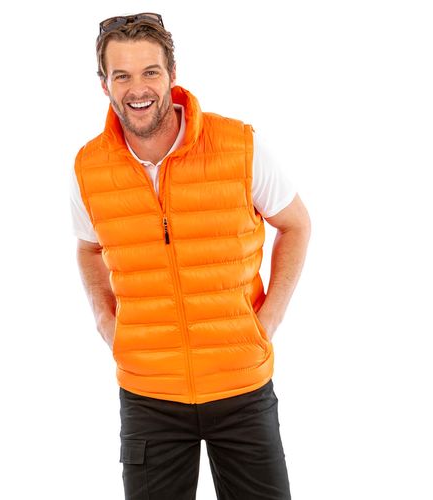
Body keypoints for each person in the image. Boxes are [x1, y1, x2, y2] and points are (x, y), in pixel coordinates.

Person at [70, 12, 311, 500]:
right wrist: (104, 319)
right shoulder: (89, 168)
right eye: (122, 76)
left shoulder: (238, 146)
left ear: (172, 74)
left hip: (241, 386)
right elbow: (88, 247)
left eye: (150, 72)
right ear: (104, 84)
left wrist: (266, 321)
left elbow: (296, 224)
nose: (138, 89)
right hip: (148, 394)